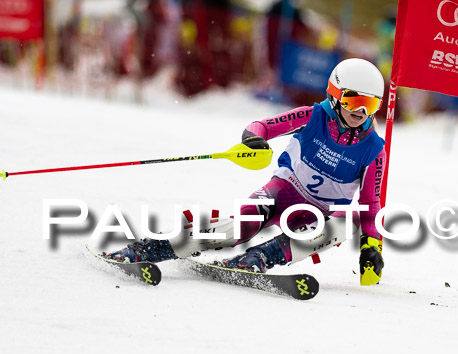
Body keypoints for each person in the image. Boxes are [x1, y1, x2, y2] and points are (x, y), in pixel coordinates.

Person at [106, 58, 387, 285]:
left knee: (349, 221)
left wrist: (371, 245)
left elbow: (371, 204)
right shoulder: (312, 116)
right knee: (245, 223)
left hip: (322, 213)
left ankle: (262, 257)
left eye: (370, 104)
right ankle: (152, 248)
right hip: (286, 191)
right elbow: (261, 126)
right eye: (353, 101)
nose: (360, 112)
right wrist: (253, 138)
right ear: (336, 96)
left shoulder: (374, 148)